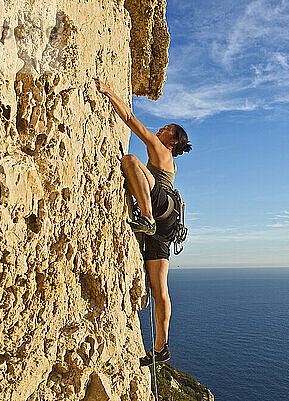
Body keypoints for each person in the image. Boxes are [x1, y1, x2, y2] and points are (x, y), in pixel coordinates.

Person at [95, 79, 191, 367]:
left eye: (165, 130)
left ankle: (145, 217)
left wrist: (110, 91)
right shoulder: (171, 163)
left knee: (129, 161)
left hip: (159, 208)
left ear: (171, 141)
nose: (159, 130)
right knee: (159, 288)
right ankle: (161, 346)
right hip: (169, 222)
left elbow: (130, 120)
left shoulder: (161, 151)